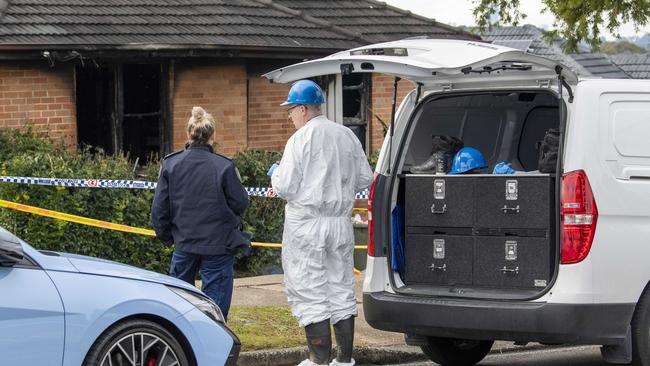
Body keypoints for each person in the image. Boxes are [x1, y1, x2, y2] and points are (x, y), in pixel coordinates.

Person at [271, 80, 374, 366]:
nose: (290, 117)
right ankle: (344, 360)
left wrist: (275, 174)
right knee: (340, 286)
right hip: (339, 223)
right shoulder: (347, 136)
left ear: (303, 109)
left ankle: (318, 360)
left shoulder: (300, 139)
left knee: (309, 287)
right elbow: (366, 178)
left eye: (291, 111)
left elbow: (287, 187)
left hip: (308, 225)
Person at [151, 106, 250, 321]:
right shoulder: (224, 166)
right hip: (218, 246)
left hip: (184, 244)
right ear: (212, 136)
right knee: (214, 309)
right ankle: (214, 344)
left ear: (188, 134)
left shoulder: (171, 164)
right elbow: (241, 203)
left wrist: (170, 237)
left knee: (178, 304)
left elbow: (159, 210)